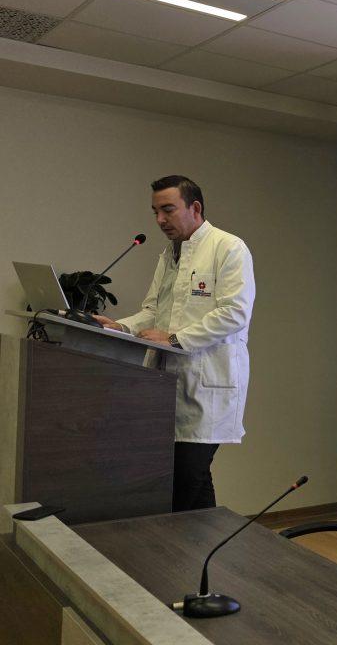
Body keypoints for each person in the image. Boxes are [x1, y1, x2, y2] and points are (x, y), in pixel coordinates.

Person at [94, 175, 255, 511]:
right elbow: (154, 311)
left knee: (185, 480)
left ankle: (181, 542)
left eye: (168, 210)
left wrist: (175, 339)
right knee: (194, 481)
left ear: (195, 208)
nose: (160, 220)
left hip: (208, 386)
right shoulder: (169, 254)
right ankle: (209, 541)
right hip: (167, 387)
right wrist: (119, 326)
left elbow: (234, 313)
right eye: (155, 212)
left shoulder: (228, 248)